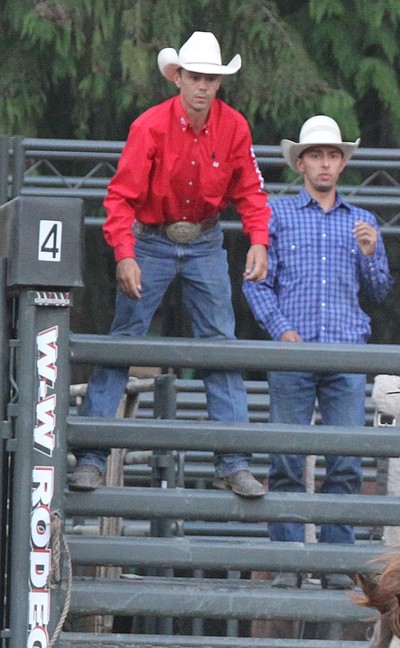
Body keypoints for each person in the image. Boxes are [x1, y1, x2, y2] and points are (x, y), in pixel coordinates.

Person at [69, 31, 269, 498]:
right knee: (124, 343)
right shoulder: (150, 127)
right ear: (178, 77)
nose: (202, 86)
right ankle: (93, 456)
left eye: (210, 79)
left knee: (221, 344)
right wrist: (125, 254)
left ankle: (234, 461)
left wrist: (259, 239)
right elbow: (121, 197)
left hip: (203, 239)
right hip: (153, 239)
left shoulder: (234, 127)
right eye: (196, 77)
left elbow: (251, 191)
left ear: (219, 83)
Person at [243, 116, 393, 589]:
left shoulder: (363, 221)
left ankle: (335, 564)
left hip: (347, 353)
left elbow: (380, 291)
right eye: (316, 155)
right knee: (288, 461)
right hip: (295, 353)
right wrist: (281, 330)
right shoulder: (276, 215)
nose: (325, 163)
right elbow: (256, 283)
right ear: (301, 162)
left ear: (342, 162)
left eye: (333, 155)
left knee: (345, 464)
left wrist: (371, 255)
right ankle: (289, 562)